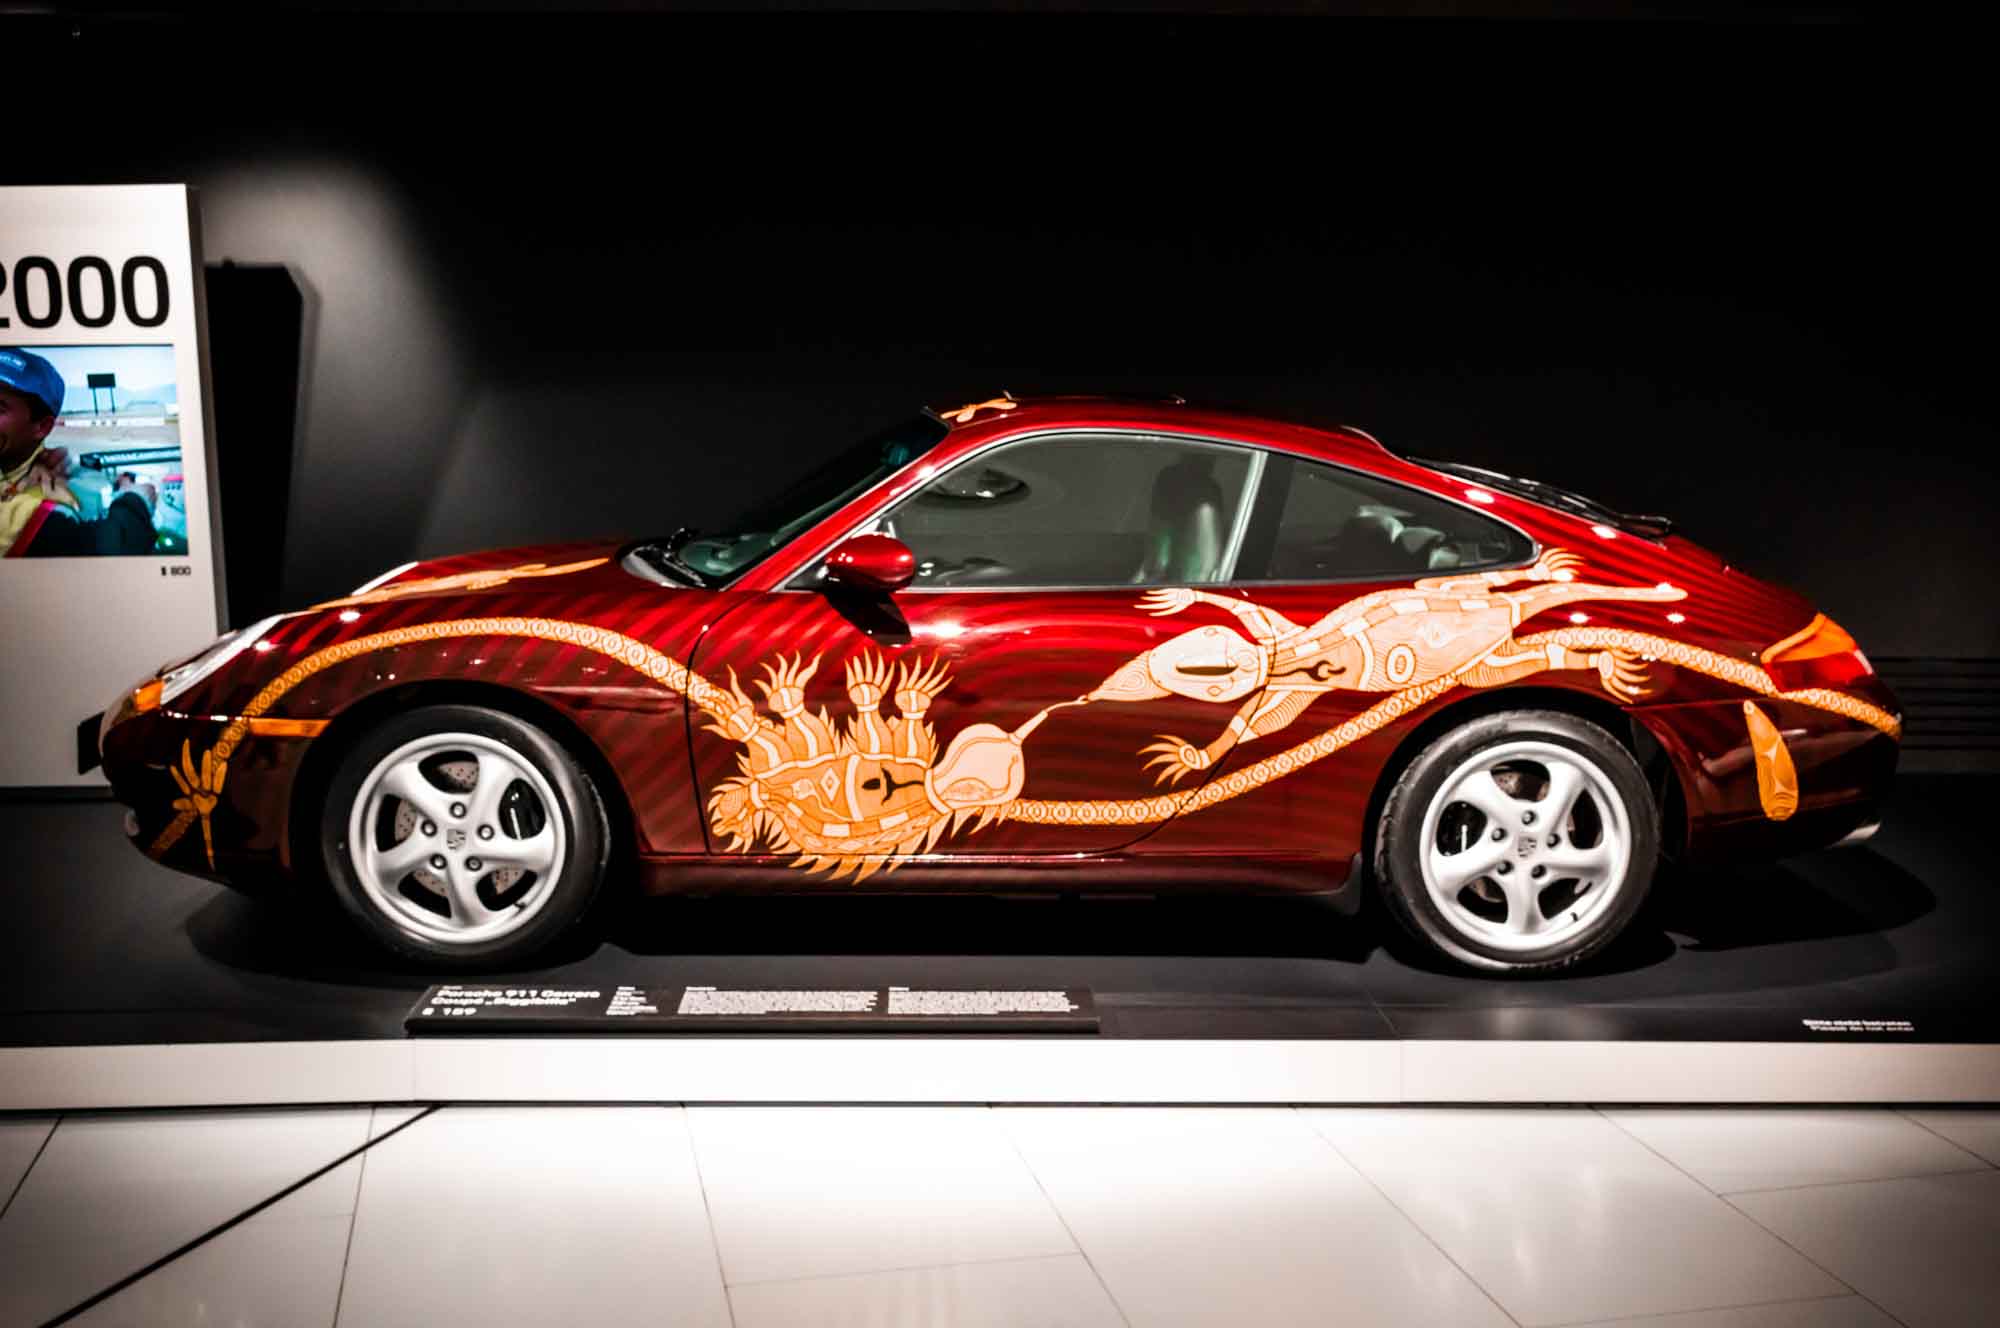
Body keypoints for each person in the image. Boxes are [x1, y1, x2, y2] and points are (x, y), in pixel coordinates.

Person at [0, 347, 156, 556]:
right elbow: (113, 549)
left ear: (42, 427)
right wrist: (137, 499)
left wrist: (20, 467)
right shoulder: (41, 513)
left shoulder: (49, 477)